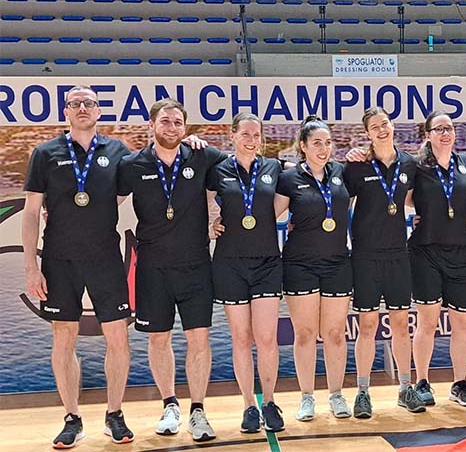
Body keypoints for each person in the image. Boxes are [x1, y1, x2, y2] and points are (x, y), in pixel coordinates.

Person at [22, 85, 134, 448]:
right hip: (58, 259)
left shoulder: (117, 151)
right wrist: (30, 268)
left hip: (105, 258)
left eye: (90, 103)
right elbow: (31, 212)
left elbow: (141, 179)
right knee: (63, 337)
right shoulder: (45, 153)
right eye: (76, 103)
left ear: (99, 111)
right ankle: (72, 417)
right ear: (66, 111)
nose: (83, 107)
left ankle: (114, 414)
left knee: (117, 338)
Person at [117, 98, 227, 442]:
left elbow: (243, 175)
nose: (172, 128)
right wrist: (55, 212)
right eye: (165, 122)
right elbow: (104, 200)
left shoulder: (202, 155)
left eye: (178, 123)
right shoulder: (132, 164)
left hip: (196, 266)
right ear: (152, 125)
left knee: (199, 339)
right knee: (158, 338)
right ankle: (169, 405)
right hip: (152, 267)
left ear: (186, 127)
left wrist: (224, 218)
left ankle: (197, 411)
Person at [343, 107, 425, 418]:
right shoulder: (357, 165)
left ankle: (406, 388)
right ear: (367, 133)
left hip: (397, 255)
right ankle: (363, 392)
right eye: (374, 127)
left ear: (393, 126)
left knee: (401, 324)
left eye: (385, 124)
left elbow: (416, 199)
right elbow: (334, 202)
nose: (381, 130)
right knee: (367, 325)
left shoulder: (409, 164)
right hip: (365, 256)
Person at [206, 113, 285, 433]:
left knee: (266, 337)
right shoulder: (218, 170)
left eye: (257, 135)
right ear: (233, 135)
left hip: (266, 262)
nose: (252, 140)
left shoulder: (273, 168)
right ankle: (249, 406)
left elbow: (305, 186)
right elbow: (198, 200)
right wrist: (211, 222)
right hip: (230, 263)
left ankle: (269, 401)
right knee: (241, 338)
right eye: (246, 134)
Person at [274, 116, 353, 422]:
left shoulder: (343, 173)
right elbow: (267, 215)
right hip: (300, 264)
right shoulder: (289, 178)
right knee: (305, 334)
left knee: (334, 333)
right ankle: (307, 396)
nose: (324, 149)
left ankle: (335, 394)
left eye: (328, 142)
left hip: (337, 263)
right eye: (317, 143)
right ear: (303, 146)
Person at [407, 110, 466, 408]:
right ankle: (422, 380)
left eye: (449, 128)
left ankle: (460, 383)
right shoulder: (416, 166)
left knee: (463, 322)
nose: (445, 133)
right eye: (438, 129)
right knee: (427, 321)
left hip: (461, 252)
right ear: (428, 135)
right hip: (425, 252)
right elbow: (401, 197)